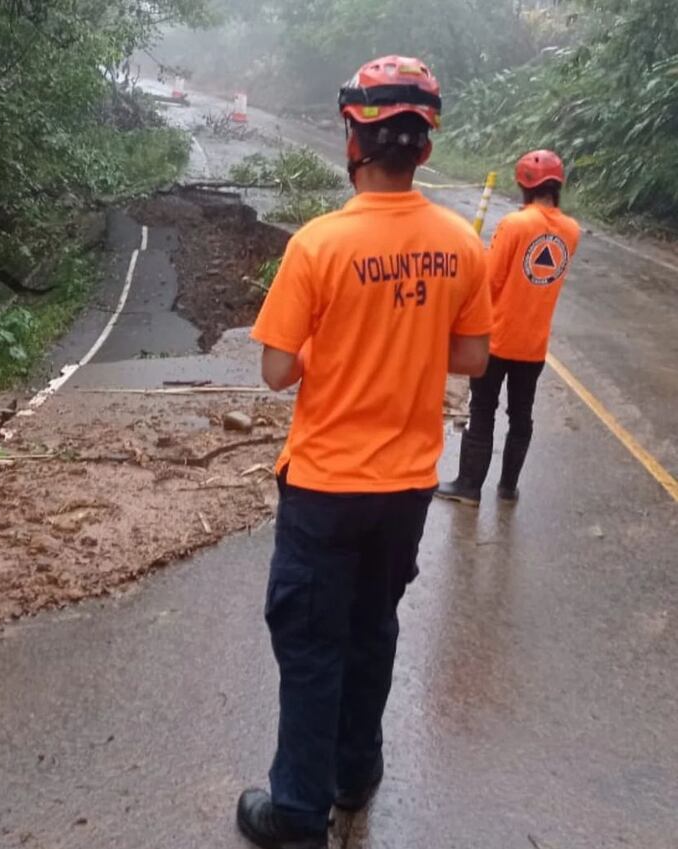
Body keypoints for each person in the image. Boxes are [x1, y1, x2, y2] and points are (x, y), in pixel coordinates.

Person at [236, 57, 492, 849]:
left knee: (312, 642)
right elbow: (474, 356)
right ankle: (355, 771)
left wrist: (340, 344)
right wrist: (405, 339)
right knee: (372, 626)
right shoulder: (460, 244)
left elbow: (277, 369)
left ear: (355, 138)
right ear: (424, 148)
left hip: (326, 485)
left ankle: (297, 813)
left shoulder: (320, 245)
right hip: (407, 485)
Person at [436, 150, 581, 506]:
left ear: (524, 184)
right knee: (521, 415)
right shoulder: (571, 231)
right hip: (534, 345)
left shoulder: (514, 225)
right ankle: (508, 488)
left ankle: (469, 487)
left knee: (482, 410)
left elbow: (490, 281)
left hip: (497, 340)